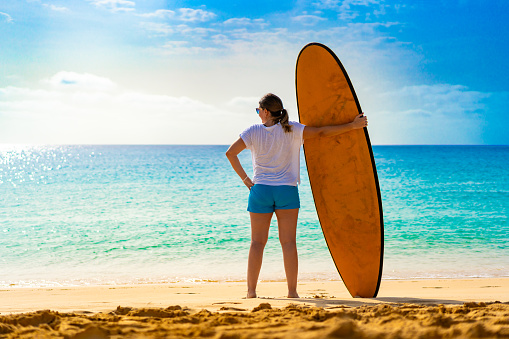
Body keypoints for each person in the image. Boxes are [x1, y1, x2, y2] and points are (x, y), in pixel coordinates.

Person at [225, 93, 367, 298]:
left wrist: (247, 181)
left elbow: (230, 153)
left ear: (265, 112)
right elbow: (321, 133)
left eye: (258, 111)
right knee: (289, 243)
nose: (258, 114)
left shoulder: (253, 131)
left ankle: (251, 292)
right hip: (287, 191)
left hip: (261, 191)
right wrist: (352, 126)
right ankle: (292, 292)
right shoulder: (293, 128)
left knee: (257, 243)